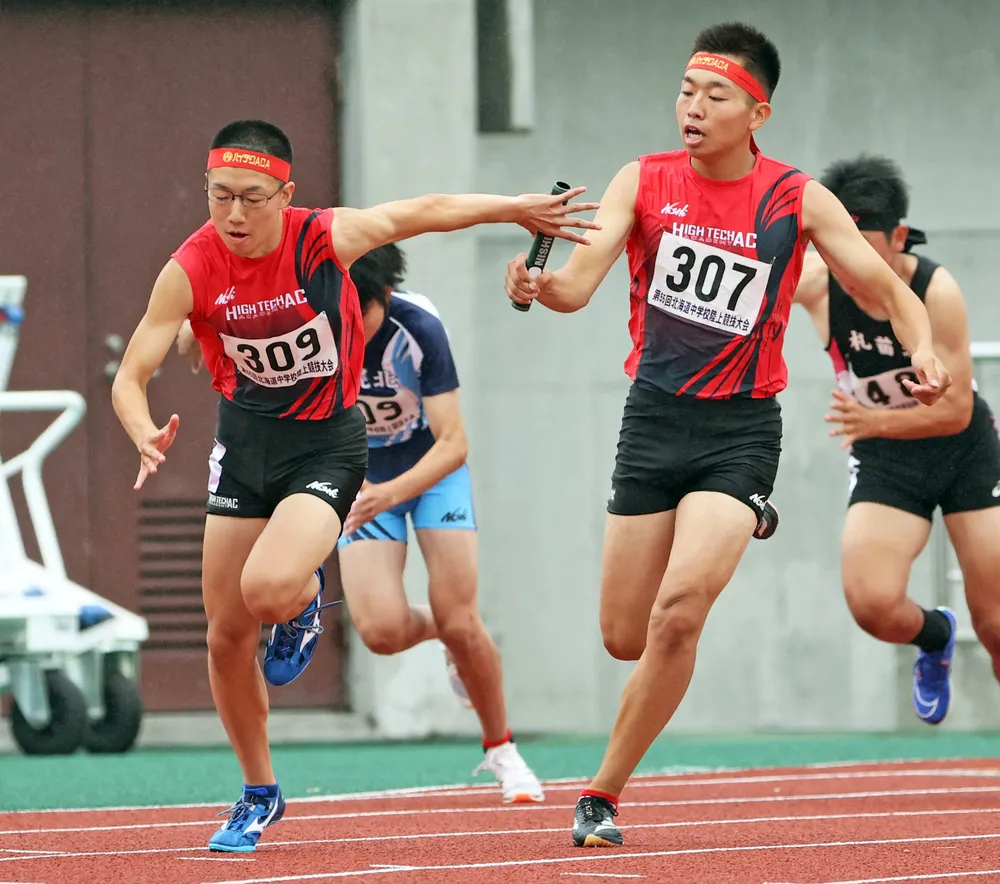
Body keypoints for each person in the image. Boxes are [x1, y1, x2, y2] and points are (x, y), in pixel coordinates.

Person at [503, 23, 951, 849]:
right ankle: (739, 514)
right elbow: (574, 286)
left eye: (715, 96)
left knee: (679, 615)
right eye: (685, 91)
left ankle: (601, 793)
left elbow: (889, 288)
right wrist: (536, 285)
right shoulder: (642, 180)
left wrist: (923, 346)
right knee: (622, 634)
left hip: (741, 429)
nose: (692, 108)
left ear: (758, 112)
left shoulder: (794, 198)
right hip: (652, 420)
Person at [111, 118, 598, 853]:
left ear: (286, 194)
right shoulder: (191, 265)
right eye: (219, 197)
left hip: (325, 444)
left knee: (269, 590)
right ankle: (258, 793)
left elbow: (423, 211)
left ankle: (304, 605)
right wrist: (140, 426)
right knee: (225, 637)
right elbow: (131, 371)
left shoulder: (323, 238)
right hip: (245, 444)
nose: (234, 215)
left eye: (251, 198)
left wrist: (515, 208)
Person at [791, 154, 1000, 726]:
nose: (851, 265)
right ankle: (934, 637)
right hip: (888, 462)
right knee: (873, 606)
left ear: (900, 236)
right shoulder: (816, 285)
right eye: (838, 247)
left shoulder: (937, 290)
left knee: (998, 624)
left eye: (865, 245)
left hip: (965, 455)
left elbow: (956, 411)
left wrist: (874, 421)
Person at [341, 243, 543, 803]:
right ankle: (446, 631)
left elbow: (454, 443)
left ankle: (502, 750)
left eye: (362, 316)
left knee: (463, 616)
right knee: (380, 632)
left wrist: (391, 494)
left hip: (430, 471)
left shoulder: (419, 326)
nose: (349, 331)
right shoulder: (316, 323)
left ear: (384, 295)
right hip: (364, 474)